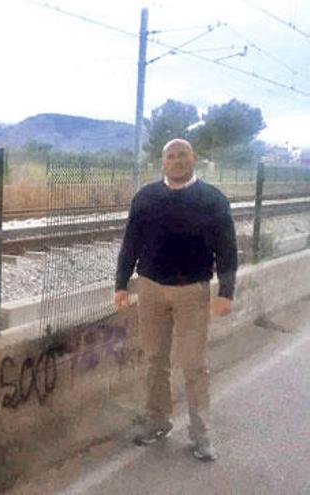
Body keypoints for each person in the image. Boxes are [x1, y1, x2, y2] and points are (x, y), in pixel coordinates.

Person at [114, 138, 237, 462]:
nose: (177, 160)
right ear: (162, 162)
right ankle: (158, 420)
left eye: (183, 155)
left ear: (193, 159)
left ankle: (201, 435)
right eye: (171, 156)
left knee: (194, 365)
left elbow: (227, 249)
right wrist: (121, 284)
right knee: (155, 360)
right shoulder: (146, 197)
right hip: (151, 288)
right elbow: (130, 242)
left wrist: (226, 292)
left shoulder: (212, 199)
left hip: (192, 292)